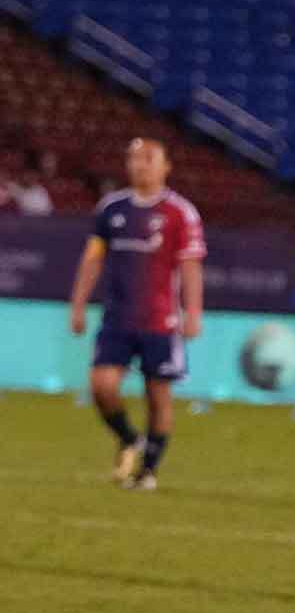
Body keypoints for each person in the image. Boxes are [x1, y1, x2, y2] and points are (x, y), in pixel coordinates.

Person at [65, 137, 205, 491]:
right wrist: (78, 304)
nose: (140, 164)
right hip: (117, 319)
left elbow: (190, 267)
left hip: (160, 321)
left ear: (165, 166)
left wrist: (193, 312)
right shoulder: (111, 209)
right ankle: (130, 438)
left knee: (157, 395)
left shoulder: (180, 212)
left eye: (148, 158)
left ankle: (148, 471)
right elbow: (93, 259)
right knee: (102, 386)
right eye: (133, 158)